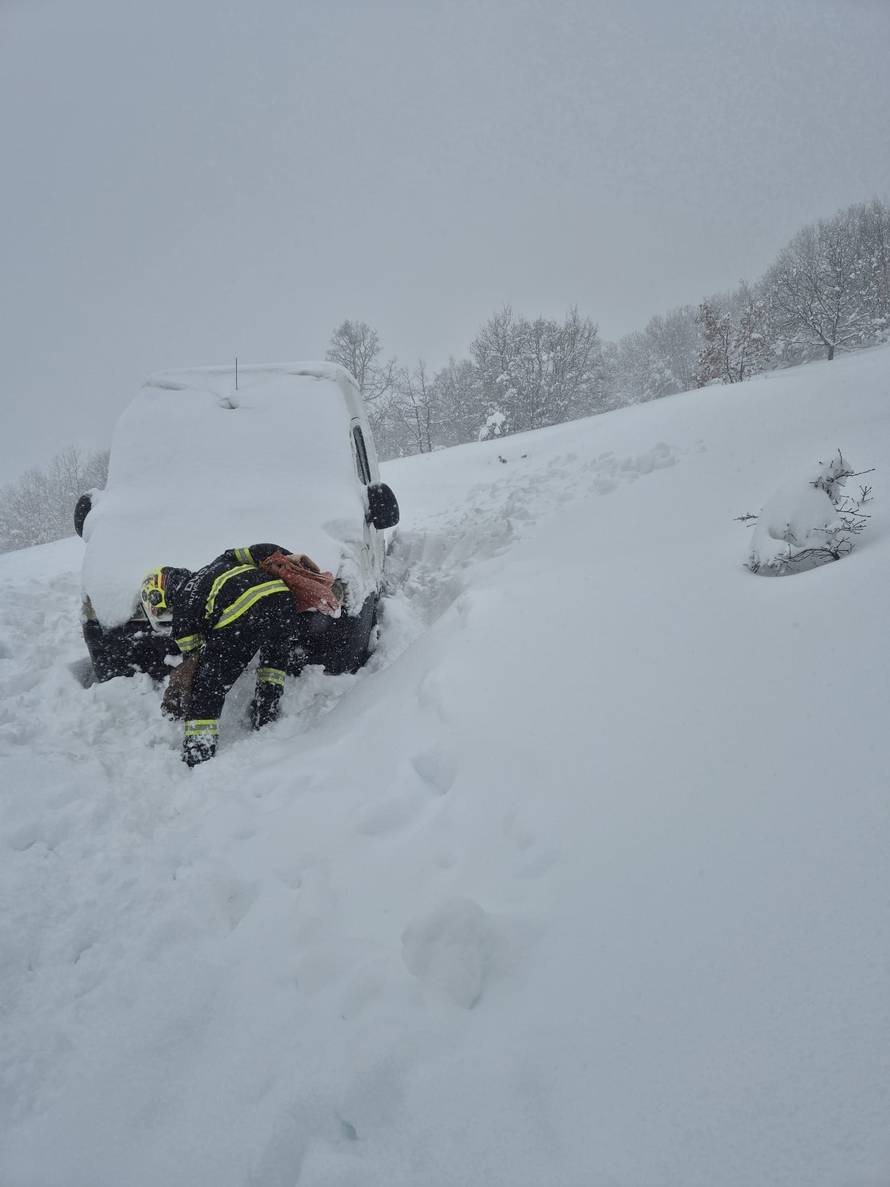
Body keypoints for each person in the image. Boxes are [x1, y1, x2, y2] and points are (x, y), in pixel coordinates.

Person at [139, 544, 340, 766]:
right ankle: (266, 710)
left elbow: (195, 663)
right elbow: (263, 549)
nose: (169, 615)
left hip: (243, 614)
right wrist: (290, 558)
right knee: (272, 661)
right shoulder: (219, 563)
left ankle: (198, 749)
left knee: (206, 688)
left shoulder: (184, 610)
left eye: (164, 610)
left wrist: (187, 688)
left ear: (165, 593)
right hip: (280, 599)